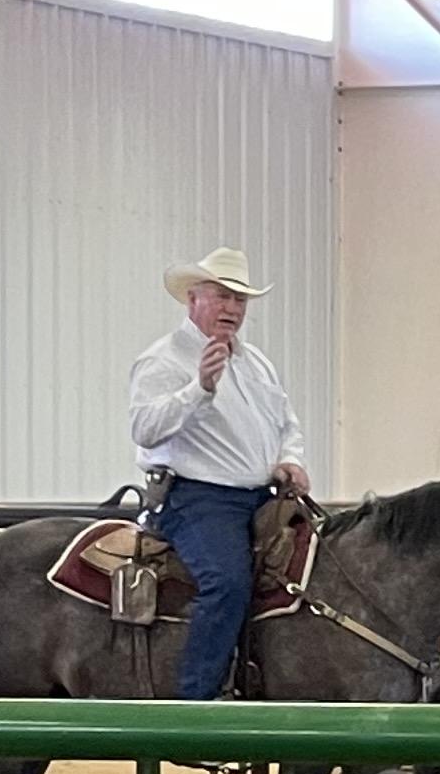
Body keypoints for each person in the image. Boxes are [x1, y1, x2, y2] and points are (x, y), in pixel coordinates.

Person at [129, 247, 309, 701]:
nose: (232, 308)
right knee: (226, 583)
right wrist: (199, 389)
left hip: (262, 496)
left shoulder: (256, 363)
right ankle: (197, 703)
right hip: (196, 499)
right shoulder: (164, 360)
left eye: (239, 301)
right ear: (193, 300)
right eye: (222, 297)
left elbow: (287, 423)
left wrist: (291, 459)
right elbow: (144, 430)